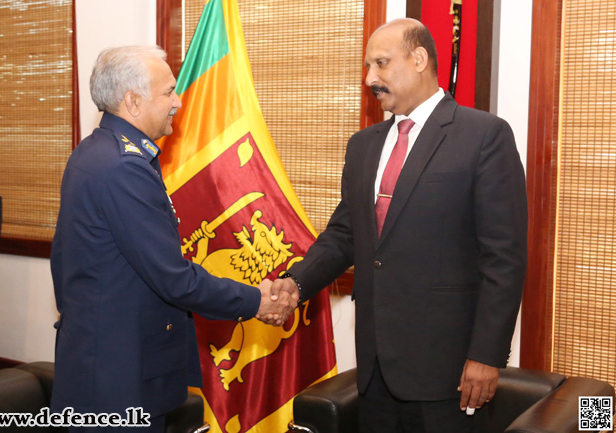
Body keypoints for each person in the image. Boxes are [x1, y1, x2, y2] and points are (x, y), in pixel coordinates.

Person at [270, 19, 528, 432]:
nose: (370, 77)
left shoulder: (483, 136)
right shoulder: (363, 145)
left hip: (448, 370)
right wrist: (295, 284)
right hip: (374, 368)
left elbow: (505, 258)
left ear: (420, 58)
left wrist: (487, 355)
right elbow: (345, 235)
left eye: (382, 64)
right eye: (368, 66)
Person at [50, 45, 294, 432]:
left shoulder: (94, 152)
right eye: (168, 92)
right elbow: (173, 278)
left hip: (100, 356)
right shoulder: (123, 168)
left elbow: (65, 260)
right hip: (118, 375)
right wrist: (256, 301)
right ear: (132, 101)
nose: (178, 102)